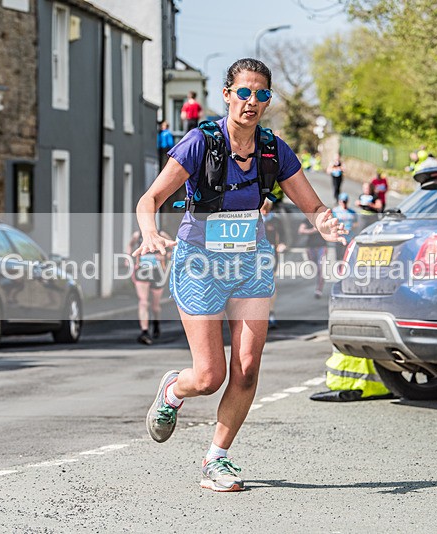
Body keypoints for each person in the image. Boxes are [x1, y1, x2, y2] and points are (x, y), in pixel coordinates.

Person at [134, 58, 346, 492]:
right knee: (209, 377)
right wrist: (151, 233)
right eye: (244, 92)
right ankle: (174, 390)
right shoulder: (200, 142)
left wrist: (324, 221)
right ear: (227, 94)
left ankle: (217, 458)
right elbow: (150, 198)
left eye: (261, 94)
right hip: (199, 264)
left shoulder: (273, 149)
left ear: (268, 100)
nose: (252, 102)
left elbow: (314, 205)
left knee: (247, 369)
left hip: (251, 263)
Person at [127, 228, 172, 345]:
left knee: (155, 306)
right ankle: (144, 331)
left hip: (158, 272)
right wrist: (128, 258)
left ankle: (156, 323)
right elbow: (130, 245)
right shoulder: (137, 235)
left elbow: (173, 248)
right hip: (142, 271)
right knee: (143, 302)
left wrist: (165, 256)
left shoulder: (161, 233)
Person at [260, 201, 285, 329]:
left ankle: (271, 313)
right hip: (255, 257)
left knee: (270, 284)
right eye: (263, 210)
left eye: (267, 209)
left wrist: (282, 244)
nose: (265, 212)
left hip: (271, 256)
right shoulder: (255, 220)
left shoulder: (275, 220)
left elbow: (283, 237)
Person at [298, 216, 329, 299]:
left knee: (320, 267)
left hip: (322, 247)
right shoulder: (307, 220)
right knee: (314, 268)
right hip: (310, 247)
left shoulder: (323, 220)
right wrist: (312, 231)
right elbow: (301, 230)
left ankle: (319, 289)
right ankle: (320, 278)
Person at [331, 193, 358, 260]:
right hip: (339, 238)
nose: (344, 203)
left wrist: (351, 227)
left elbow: (356, 223)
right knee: (339, 258)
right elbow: (331, 223)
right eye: (342, 201)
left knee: (348, 259)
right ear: (339, 201)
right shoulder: (335, 211)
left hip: (349, 238)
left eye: (345, 201)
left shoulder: (352, 212)